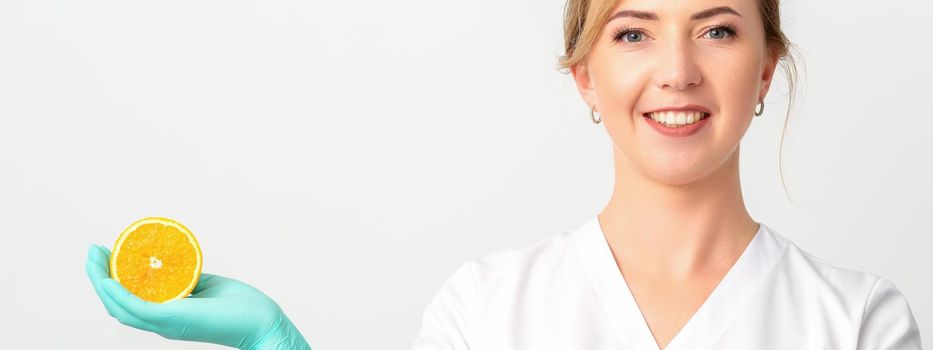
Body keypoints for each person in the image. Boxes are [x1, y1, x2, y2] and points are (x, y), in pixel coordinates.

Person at [86, 0, 923, 349]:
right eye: (633, 32)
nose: (676, 70)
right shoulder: (484, 310)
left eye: (717, 30)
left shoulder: (856, 323)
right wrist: (280, 346)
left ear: (766, 70)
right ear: (584, 76)